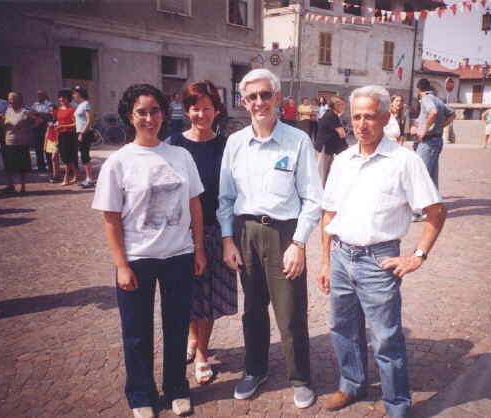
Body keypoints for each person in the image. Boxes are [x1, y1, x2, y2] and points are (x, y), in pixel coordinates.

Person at [317, 85, 447, 417]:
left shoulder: (404, 161)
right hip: (341, 257)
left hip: (379, 260)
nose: (361, 124)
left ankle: (397, 405)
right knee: (342, 328)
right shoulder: (343, 160)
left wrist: (417, 256)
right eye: (356, 116)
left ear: (386, 118)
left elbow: (436, 212)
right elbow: (329, 214)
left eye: (370, 117)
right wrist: (324, 262)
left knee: (386, 339)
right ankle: (351, 384)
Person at [92, 84, 206, 418]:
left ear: (163, 114)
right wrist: (121, 265)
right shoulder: (119, 162)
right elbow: (111, 219)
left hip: (178, 256)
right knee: (137, 332)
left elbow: (194, 205)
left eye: (155, 110)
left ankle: (176, 388)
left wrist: (198, 250)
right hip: (138, 259)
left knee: (176, 327)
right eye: (142, 112)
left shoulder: (180, 155)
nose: (149, 118)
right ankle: (141, 394)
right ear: (130, 116)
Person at [217, 69, 322, 409]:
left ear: (278, 98)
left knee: (291, 311)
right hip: (246, 233)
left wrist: (300, 243)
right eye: (252, 97)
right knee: (253, 310)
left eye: (266, 95)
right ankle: (255, 370)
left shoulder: (298, 141)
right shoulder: (235, 143)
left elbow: (312, 198)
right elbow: (226, 199)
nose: (259, 102)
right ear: (244, 102)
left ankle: (301, 377)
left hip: (284, 235)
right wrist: (228, 240)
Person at [167, 81, 237, 385]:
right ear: (187, 110)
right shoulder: (173, 145)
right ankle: (193, 340)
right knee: (189, 295)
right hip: (181, 234)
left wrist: (229, 237)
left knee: (207, 297)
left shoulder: (226, 146)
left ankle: (201, 352)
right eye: (195, 107)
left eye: (207, 107)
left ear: (217, 110)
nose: (201, 113)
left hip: (214, 230)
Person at [415, 78, 455, 190]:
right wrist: (441, 125)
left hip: (428, 141)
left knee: (420, 173)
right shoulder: (438, 100)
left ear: (418, 89)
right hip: (436, 140)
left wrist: (424, 130)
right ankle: (434, 204)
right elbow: (452, 114)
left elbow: (433, 112)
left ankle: (423, 204)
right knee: (431, 175)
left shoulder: (426, 98)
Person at [0, 92, 36, 195]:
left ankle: (22, 187)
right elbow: (4, 125)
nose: (10, 101)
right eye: (9, 99)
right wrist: (2, 121)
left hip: (22, 141)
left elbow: (38, 121)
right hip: (9, 140)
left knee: (22, 165)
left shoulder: (26, 111)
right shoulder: (7, 110)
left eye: (12, 99)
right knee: (10, 164)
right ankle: (11, 185)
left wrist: (27, 128)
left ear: (19, 100)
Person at [316, 95, 347, 186]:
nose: (343, 107)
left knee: (326, 172)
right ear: (336, 105)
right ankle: (319, 194)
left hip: (329, 147)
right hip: (325, 147)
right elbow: (342, 133)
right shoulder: (331, 116)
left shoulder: (333, 115)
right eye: (341, 105)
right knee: (322, 173)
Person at [72, 86, 96, 187]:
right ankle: (88, 178)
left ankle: (89, 179)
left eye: (74, 93)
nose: (73, 95)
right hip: (80, 132)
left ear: (79, 94)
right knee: (83, 155)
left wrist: (82, 133)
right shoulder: (80, 105)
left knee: (85, 155)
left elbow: (89, 120)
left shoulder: (86, 104)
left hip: (85, 133)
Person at [56, 89, 79, 186]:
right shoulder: (59, 109)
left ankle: (66, 178)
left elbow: (76, 124)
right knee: (66, 157)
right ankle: (76, 175)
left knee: (67, 157)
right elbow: (59, 122)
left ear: (68, 98)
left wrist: (64, 126)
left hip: (70, 135)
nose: (61, 99)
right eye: (60, 97)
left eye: (63, 97)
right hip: (61, 134)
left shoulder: (73, 109)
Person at [31, 90, 52, 171]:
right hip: (37, 128)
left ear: (45, 95)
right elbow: (31, 113)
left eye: (41, 94)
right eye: (38, 94)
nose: (39, 96)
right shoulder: (35, 104)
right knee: (38, 148)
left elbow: (49, 115)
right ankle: (41, 167)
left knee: (47, 147)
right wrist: (40, 116)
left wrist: (38, 114)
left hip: (45, 128)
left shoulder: (49, 104)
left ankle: (50, 166)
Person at [44, 104, 61, 183]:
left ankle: (56, 175)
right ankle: (56, 175)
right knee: (53, 159)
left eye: (52, 110)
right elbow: (47, 132)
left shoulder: (59, 119)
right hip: (50, 140)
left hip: (57, 139)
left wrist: (58, 141)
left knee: (54, 158)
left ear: (56, 110)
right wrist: (45, 142)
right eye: (50, 111)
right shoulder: (49, 120)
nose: (51, 112)